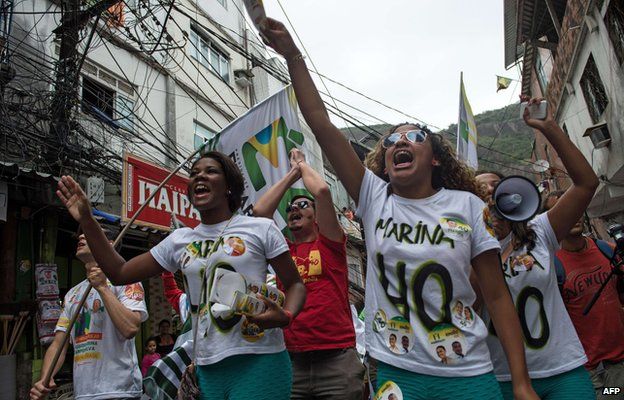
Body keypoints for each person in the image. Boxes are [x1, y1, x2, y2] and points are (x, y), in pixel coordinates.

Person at [261, 18, 537, 400]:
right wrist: (293, 56)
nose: (399, 142)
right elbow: (321, 125)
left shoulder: (469, 206)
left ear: (436, 158)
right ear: (385, 158)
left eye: (413, 136)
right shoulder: (374, 197)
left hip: (468, 371)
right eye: (392, 139)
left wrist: (521, 383)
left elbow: (496, 296)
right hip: (396, 371)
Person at [54, 151, 306, 400]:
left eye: (210, 171)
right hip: (206, 368)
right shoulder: (179, 240)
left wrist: (285, 316)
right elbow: (119, 272)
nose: (199, 177)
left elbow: (295, 284)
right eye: (194, 173)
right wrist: (88, 218)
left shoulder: (260, 228)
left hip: (260, 360)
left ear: (229, 185)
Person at [482, 96, 599, 400]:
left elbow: (586, 183)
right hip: (500, 379)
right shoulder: (462, 250)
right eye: (479, 190)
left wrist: (548, 128)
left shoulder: (540, 231)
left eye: (496, 186)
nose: (490, 194)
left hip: (563, 370)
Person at [253, 148, 364, 399]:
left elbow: (322, 191)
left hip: (337, 359)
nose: (294, 208)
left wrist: (302, 165)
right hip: (292, 361)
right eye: (290, 207)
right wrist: (292, 175)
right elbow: (260, 213)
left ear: (317, 217)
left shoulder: (330, 244)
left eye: (303, 204)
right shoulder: (283, 250)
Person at [30, 231, 148, 400]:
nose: (81, 237)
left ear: (109, 245)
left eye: (89, 234)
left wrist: (102, 287)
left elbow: (130, 328)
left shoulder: (126, 280)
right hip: (83, 393)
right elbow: (58, 345)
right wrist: (44, 380)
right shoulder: (72, 294)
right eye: (80, 234)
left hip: (120, 391)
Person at [544, 191, 624, 400]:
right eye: (564, 210)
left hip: (618, 364)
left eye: (577, 208)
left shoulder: (606, 249)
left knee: (616, 394)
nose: (574, 215)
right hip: (585, 370)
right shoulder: (550, 266)